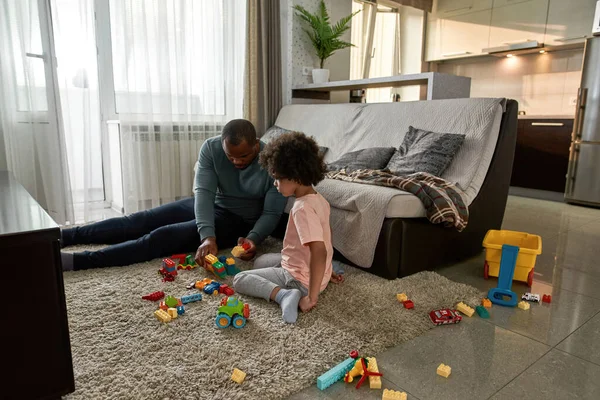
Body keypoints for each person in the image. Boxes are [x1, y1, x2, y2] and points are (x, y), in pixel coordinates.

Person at [60, 119, 287, 271]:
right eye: (231, 156)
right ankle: (66, 236)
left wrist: (254, 238)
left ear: (256, 145)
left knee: (160, 237)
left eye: (244, 156)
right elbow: (204, 193)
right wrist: (207, 235)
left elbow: (271, 211)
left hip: (237, 220)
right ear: (222, 144)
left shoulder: (273, 159)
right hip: (210, 204)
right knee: (140, 220)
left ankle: (80, 260)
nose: (237, 162)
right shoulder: (211, 148)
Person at [232, 131, 342, 324]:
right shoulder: (319, 199)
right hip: (310, 272)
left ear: (296, 177)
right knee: (260, 261)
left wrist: (312, 297)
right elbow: (326, 239)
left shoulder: (302, 209)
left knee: (240, 279)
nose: (275, 183)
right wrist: (327, 269)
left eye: (278, 178)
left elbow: (319, 250)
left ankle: (283, 295)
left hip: (299, 280)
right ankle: (308, 281)